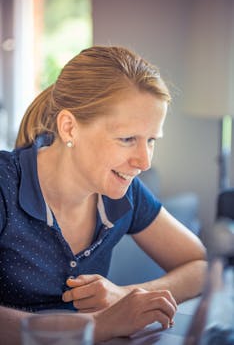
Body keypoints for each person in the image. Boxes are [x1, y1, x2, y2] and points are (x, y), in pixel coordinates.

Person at [0, 45, 207, 344]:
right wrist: (98, 325)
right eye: (127, 139)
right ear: (69, 128)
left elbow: (198, 265)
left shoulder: (124, 192)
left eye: (150, 140)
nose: (144, 162)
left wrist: (125, 295)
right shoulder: (5, 183)